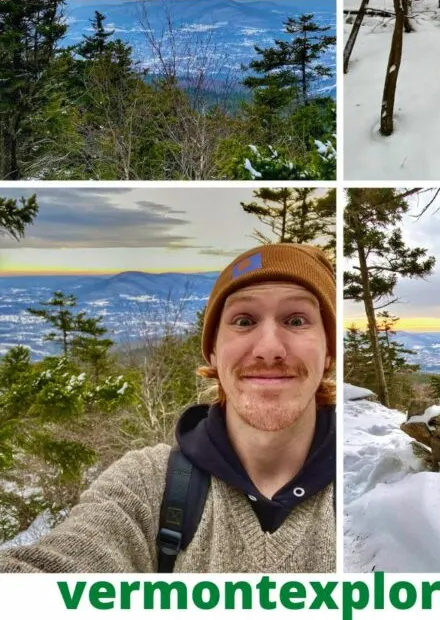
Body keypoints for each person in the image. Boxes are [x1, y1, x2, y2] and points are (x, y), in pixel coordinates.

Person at [0, 243, 336, 573]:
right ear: (214, 353)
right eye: (244, 321)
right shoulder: (148, 486)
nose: (269, 349)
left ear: (330, 353)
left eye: (295, 320)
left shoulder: (366, 484)